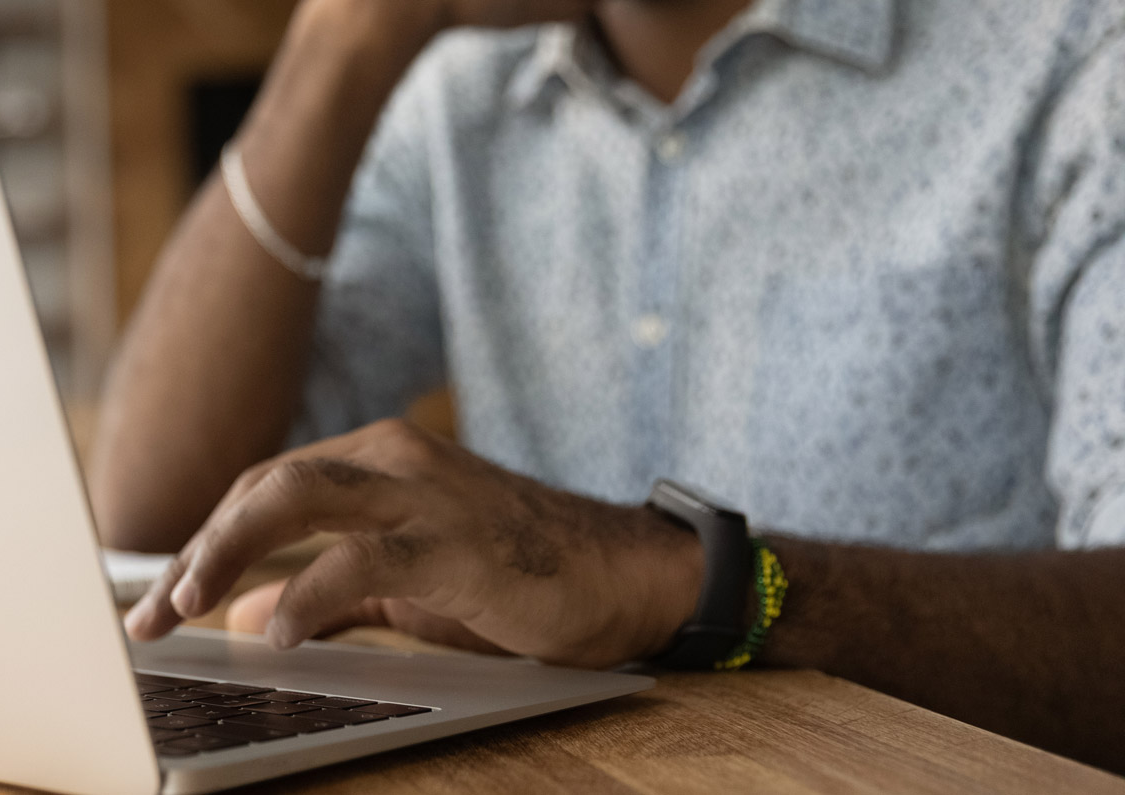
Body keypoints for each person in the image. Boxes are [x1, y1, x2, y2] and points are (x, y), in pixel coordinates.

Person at [92, 0, 1125, 771]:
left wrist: (681, 582)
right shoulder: (458, 87)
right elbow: (160, 517)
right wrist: (341, 40)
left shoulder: (1068, 55)